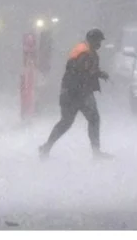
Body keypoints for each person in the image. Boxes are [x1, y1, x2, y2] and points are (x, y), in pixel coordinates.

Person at [39, 28, 113, 160]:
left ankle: (46, 147)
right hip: (78, 93)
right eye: (98, 41)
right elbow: (82, 72)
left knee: (66, 122)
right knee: (92, 119)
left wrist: (99, 74)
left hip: (71, 92)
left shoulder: (85, 51)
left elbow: (85, 70)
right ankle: (96, 152)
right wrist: (95, 76)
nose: (99, 44)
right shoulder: (85, 53)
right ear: (92, 40)